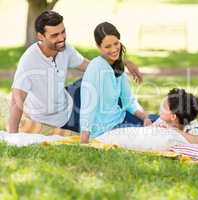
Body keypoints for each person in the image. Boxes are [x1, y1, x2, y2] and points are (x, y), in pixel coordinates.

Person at [8, 11, 142, 134]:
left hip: (69, 99)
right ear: (40, 36)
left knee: (104, 79)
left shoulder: (64, 49)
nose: (61, 38)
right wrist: (13, 137)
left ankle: (136, 112)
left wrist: (123, 63)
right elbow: (16, 100)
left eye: (63, 32)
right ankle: (138, 121)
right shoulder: (29, 61)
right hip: (58, 118)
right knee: (111, 123)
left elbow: (91, 66)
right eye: (55, 35)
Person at [80, 22, 158, 143]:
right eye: (107, 46)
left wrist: (145, 118)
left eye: (116, 44)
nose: (114, 49)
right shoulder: (95, 68)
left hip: (120, 119)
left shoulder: (117, 65)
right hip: (105, 130)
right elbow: (88, 106)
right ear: (98, 46)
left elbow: (129, 101)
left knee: (159, 122)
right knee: (155, 136)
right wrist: (84, 140)